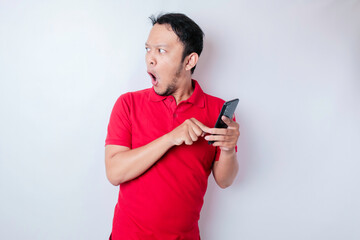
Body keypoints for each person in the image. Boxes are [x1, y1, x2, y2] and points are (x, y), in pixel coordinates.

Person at [105, 13, 240, 240]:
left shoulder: (217, 111)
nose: (150, 59)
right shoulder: (128, 104)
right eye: (148, 49)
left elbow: (224, 180)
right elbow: (114, 172)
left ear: (189, 61)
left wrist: (228, 149)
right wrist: (170, 138)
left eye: (161, 51)